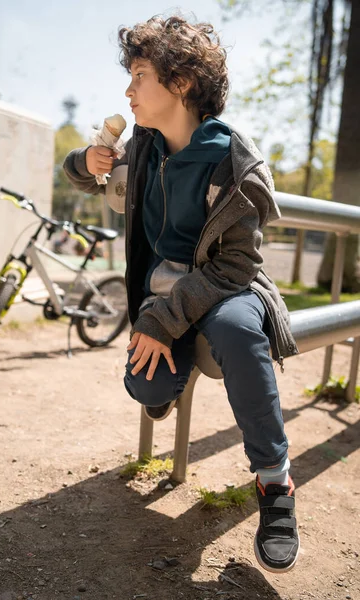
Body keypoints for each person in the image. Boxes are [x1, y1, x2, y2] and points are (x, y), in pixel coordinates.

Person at [63, 14, 300, 573]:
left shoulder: (233, 159)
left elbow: (239, 262)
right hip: (165, 292)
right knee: (145, 387)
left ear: (182, 83)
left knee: (238, 332)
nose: (127, 89)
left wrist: (166, 317)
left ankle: (275, 482)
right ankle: (166, 384)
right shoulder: (141, 146)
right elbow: (79, 174)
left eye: (140, 74)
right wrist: (83, 162)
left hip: (227, 286)